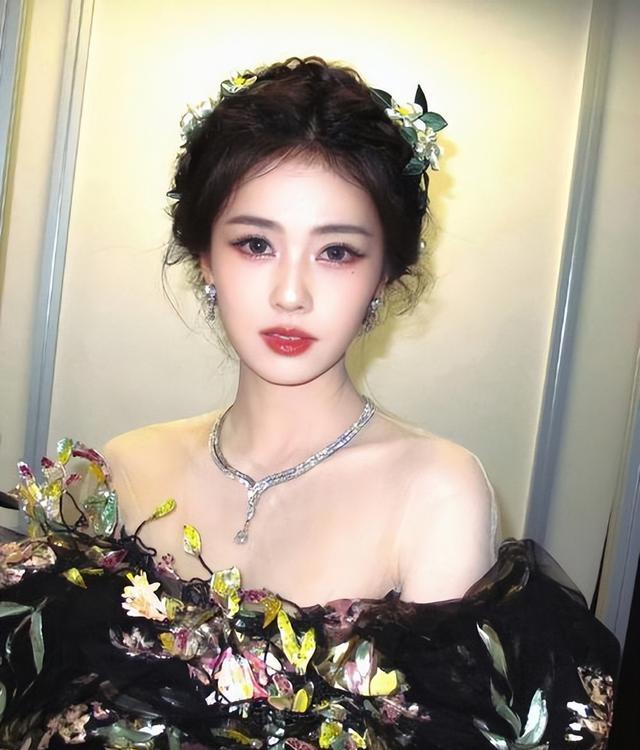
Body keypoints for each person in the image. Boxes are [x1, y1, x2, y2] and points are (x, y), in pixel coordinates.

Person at [0, 57, 618, 749]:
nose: (291, 294)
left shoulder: (436, 491)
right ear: (206, 257)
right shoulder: (128, 464)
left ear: (384, 275)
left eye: (337, 253)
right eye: (255, 244)